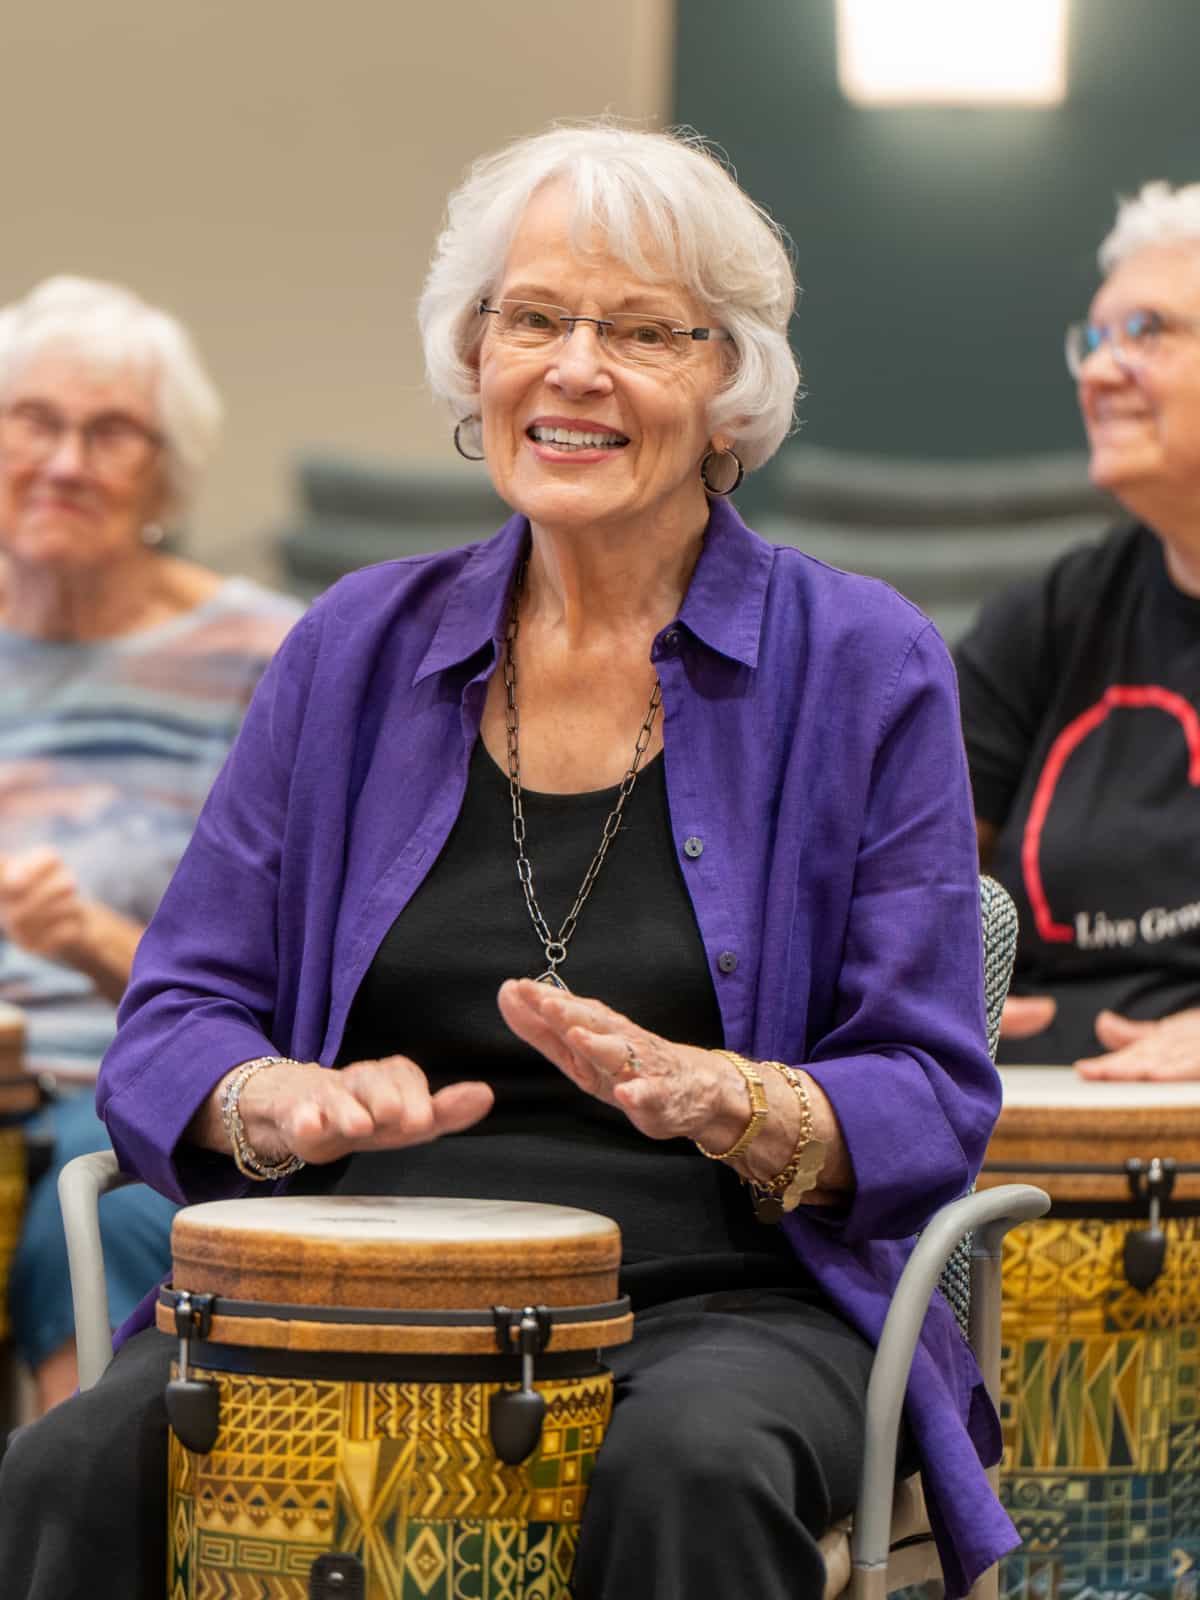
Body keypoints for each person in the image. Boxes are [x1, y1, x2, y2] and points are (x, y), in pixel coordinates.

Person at [0, 125, 1009, 1599]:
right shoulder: (352, 648)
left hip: (723, 1294)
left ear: (731, 386)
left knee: (687, 1476)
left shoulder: (862, 662)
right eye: (533, 318)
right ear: (476, 360)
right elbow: (173, 1020)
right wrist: (278, 1096)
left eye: (642, 329)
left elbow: (930, 1091)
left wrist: (732, 1098)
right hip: (353, 1289)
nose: (575, 367)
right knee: (68, 1470)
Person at [0, 276, 303, 1410]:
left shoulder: (265, 658)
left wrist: (88, 937)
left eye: (110, 431)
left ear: (166, 476)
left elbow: (281, 982)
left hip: (128, 1070)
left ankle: (69, 1536)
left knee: (88, 1221)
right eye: (34, 420)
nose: (66, 460)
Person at [957, 181, 1200, 1079]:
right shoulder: (1053, 618)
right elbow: (900, 868)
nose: (1099, 372)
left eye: (1148, 333)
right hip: (1038, 1119)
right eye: (1094, 342)